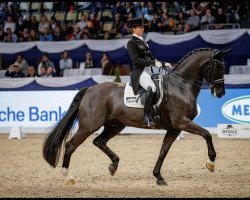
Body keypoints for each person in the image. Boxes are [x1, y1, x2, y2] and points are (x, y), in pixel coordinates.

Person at [126, 17, 172, 127]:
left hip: (148, 71)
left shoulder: (144, 43)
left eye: (143, 27)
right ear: (133, 29)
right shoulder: (131, 43)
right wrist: (154, 63)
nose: (143, 29)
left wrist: (163, 64)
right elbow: (136, 61)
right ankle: (146, 117)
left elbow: (152, 59)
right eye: (140, 27)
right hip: (140, 72)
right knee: (152, 87)